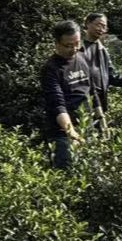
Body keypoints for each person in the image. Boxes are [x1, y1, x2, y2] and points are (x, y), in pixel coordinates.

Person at [41, 20, 95, 168]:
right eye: (69, 45)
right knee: (67, 173)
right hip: (63, 133)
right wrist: (72, 133)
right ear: (57, 44)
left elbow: (92, 91)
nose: (74, 48)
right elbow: (57, 104)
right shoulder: (51, 69)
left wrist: (100, 120)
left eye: (77, 43)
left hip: (86, 126)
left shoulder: (83, 58)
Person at [80, 13, 122, 126]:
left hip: (101, 99)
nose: (101, 29)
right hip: (83, 100)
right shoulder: (78, 47)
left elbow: (111, 76)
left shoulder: (102, 50)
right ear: (88, 24)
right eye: (99, 25)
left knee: (101, 131)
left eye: (104, 26)